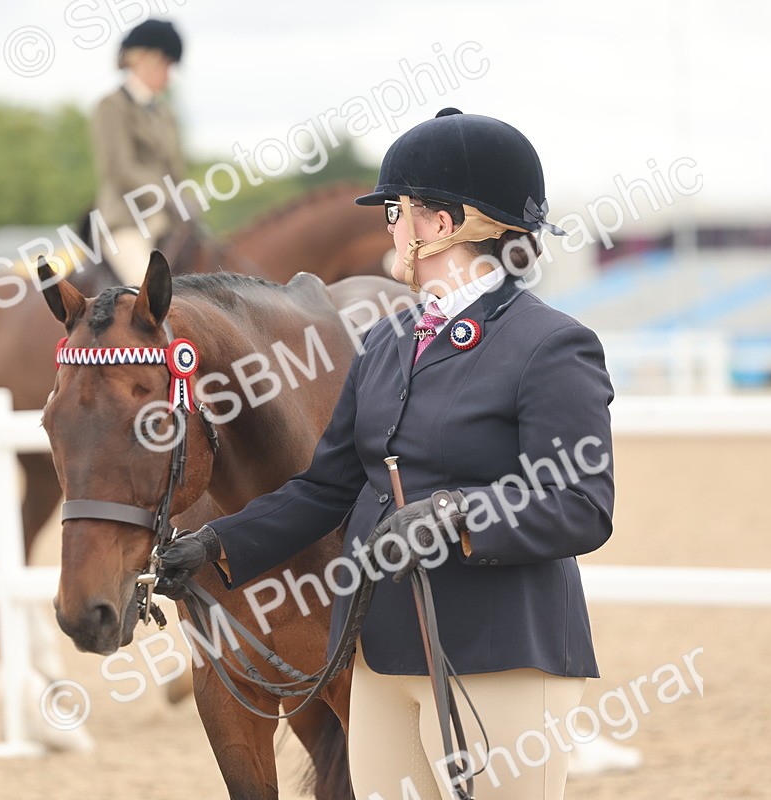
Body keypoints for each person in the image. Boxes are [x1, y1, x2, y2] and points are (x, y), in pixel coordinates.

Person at [157, 109, 615, 800]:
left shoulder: (549, 345)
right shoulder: (389, 340)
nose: (389, 227)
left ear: (445, 223)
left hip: (500, 654)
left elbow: (582, 504)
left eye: (398, 210)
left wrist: (458, 515)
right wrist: (217, 545)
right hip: (379, 654)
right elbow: (326, 488)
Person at [90, 18, 188, 286]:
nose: (168, 73)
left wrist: (188, 198)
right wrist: (167, 196)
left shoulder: (164, 112)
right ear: (141, 59)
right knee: (149, 288)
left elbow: (176, 169)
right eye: (163, 64)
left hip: (167, 222)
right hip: (126, 222)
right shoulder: (111, 107)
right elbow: (119, 168)